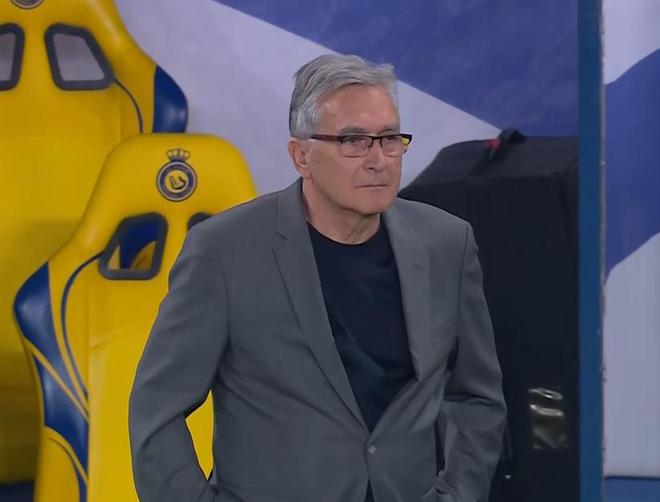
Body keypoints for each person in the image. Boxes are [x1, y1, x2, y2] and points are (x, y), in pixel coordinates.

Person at [129, 54, 506, 502]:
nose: (378, 160)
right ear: (301, 156)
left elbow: (477, 397)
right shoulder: (224, 252)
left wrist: (457, 494)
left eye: (389, 139)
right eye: (353, 141)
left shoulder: (447, 244)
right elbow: (156, 412)